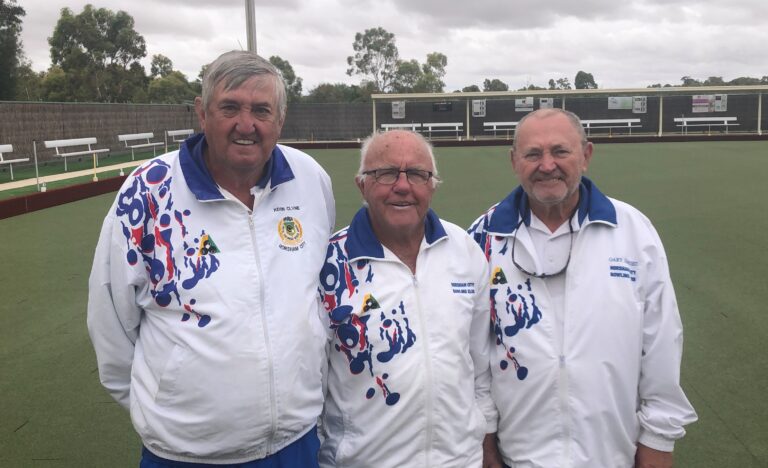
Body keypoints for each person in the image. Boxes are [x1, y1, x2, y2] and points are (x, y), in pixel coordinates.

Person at [87, 50, 335, 466]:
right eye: (230, 107)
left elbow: (314, 298)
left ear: (281, 119)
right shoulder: (148, 192)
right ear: (202, 113)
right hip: (185, 455)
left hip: (297, 442)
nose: (246, 124)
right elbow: (111, 322)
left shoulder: (310, 178)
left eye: (261, 110)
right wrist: (171, 412)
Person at [469, 108, 697, 468]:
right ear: (514, 161)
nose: (547, 165)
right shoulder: (482, 237)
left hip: (612, 456)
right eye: (532, 154)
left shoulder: (633, 231)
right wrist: (485, 444)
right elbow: (474, 354)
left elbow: (662, 341)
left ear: (586, 155)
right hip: (520, 457)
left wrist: (658, 440)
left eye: (560, 151)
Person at [317, 130, 497, 467]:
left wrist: (486, 446)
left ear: (432, 184)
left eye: (417, 173)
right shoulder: (329, 266)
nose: (402, 186)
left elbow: (480, 368)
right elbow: (312, 381)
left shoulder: (464, 251)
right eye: (385, 173)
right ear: (362, 185)